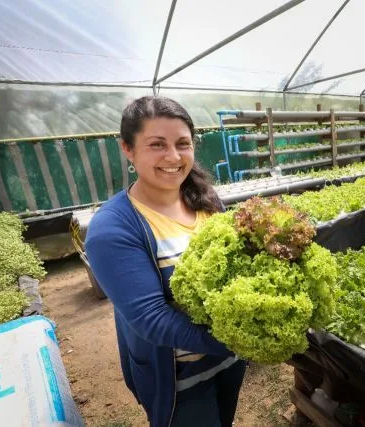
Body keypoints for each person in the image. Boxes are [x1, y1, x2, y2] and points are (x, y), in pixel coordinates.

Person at [85, 96, 246, 427]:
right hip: (178, 379)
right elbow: (151, 319)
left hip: (228, 359)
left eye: (182, 144)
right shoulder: (113, 228)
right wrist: (240, 338)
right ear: (128, 149)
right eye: (157, 145)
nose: (173, 157)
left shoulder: (206, 200)